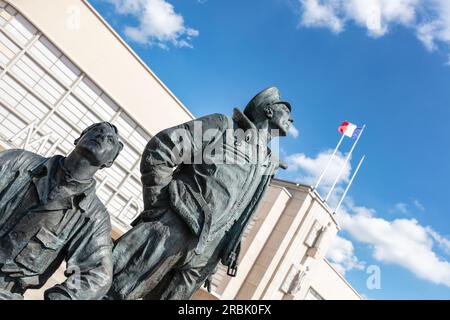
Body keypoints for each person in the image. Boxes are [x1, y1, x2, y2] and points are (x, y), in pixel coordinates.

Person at [106, 87, 294, 300]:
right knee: (115, 291)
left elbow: (243, 212)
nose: (292, 119)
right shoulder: (224, 127)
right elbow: (162, 149)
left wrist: (228, 247)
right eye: (286, 110)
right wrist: (160, 207)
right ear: (268, 110)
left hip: (207, 255)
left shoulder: (267, 166)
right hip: (173, 228)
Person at [0, 122, 123, 300]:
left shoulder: (94, 217)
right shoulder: (18, 161)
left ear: (109, 162)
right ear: (78, 138)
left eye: (110, 140)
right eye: (96, 131)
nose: (101, 136)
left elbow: (97, 276)